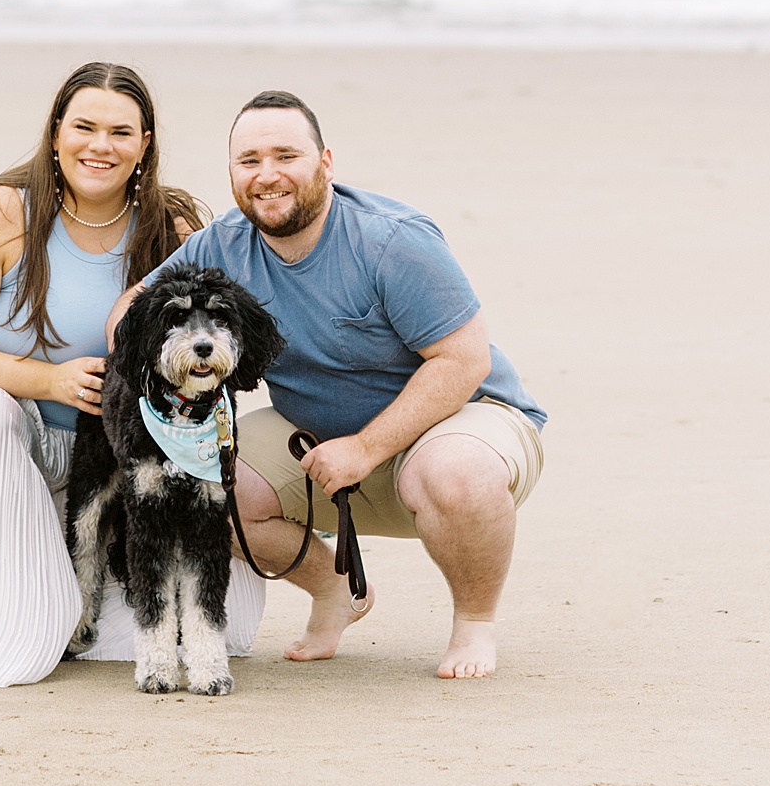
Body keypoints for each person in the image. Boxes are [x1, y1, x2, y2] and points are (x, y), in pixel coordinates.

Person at [0, 61, 266, 686]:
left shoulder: (171, 225)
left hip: (106, 441)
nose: (101, 146)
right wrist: (46, 382)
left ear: (145, 145)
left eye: (122, 133)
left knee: (221, 619)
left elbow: (218, 330)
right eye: (85, 127)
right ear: (55, 134)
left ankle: (74, 569)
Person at [114, 89, 545, 680]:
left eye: (286, 155)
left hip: (461, 420)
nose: (268, 175)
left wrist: (366, 448)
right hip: (316, 436)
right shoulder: (224, 243)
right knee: (210, 480)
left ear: (326, 162)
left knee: (454, 474)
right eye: (249, 161)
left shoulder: (391, 241)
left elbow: (462, 361)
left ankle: (474, 622)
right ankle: (337, 589)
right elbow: (130, 314)